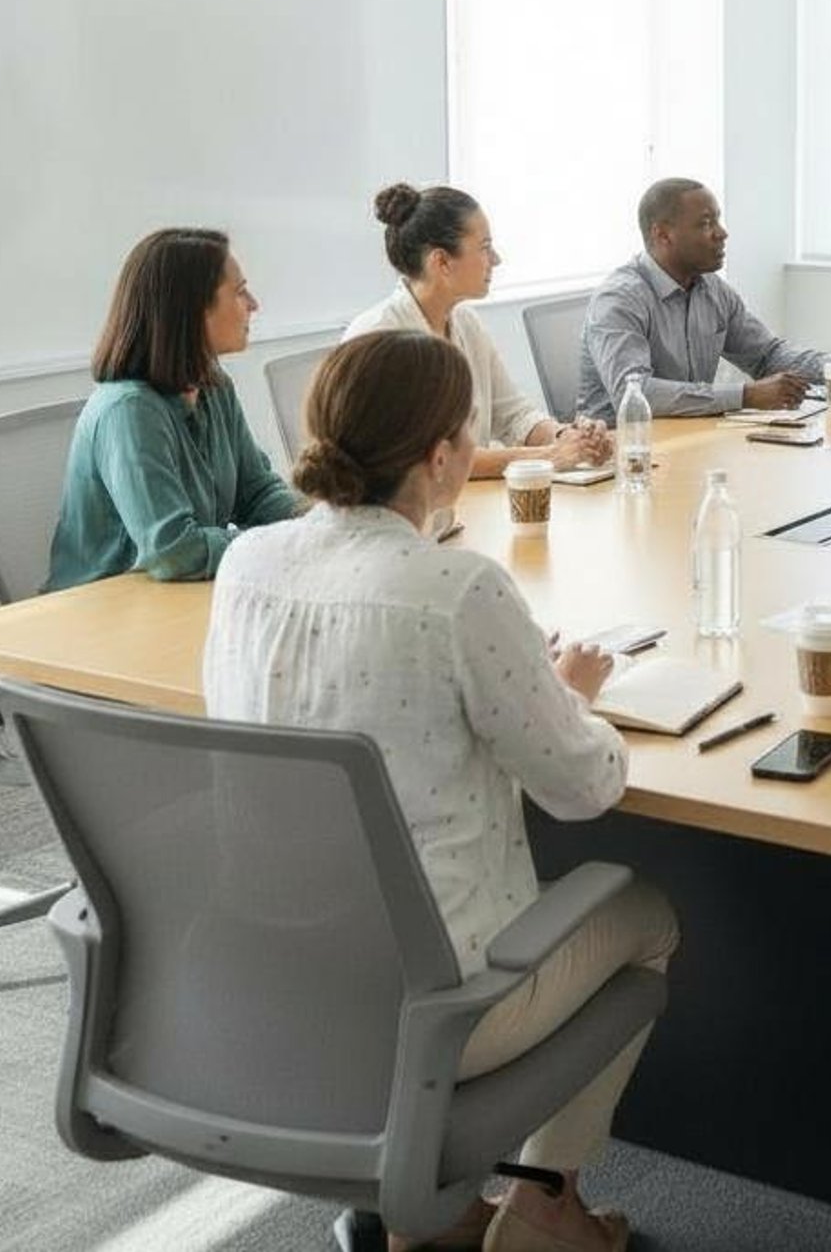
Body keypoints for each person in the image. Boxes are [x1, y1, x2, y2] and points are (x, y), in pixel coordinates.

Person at [202, 331, 676, 1252]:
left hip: (276, 972)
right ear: (440, 456)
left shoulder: (245, 564)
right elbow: (584, 789)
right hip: (438, 1002)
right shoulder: (456, 589)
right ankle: (546, 1203)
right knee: (648, 914)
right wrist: (572, 697)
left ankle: (449, 1208)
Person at [47, 229, 298, 590]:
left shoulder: (214, 386)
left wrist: (315, 522)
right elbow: (173, 550)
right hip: (103, 612)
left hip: (172, 598)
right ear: (193, 310)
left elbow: (257, 493)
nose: (254, 304)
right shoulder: (130, 410)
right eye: (240, 291)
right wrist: (275, 545)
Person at [346, 184, 611, 479]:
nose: (496, 259)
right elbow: (429, 460)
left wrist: (568, 437)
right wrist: (547, 457)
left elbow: (514, 416)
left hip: (464, 505)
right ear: (442, 261)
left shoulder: (465, 322)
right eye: (485, 248)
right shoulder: (378, 336)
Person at [576, 178, 831, 421]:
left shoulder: (711, 289)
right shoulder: (619, 299)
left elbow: (767, 355)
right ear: (663, 234)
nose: (722, 233)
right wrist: (746, 395)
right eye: (705, 224)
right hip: (621, 453)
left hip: (692, 438)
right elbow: (636, 392)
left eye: (717, 220)